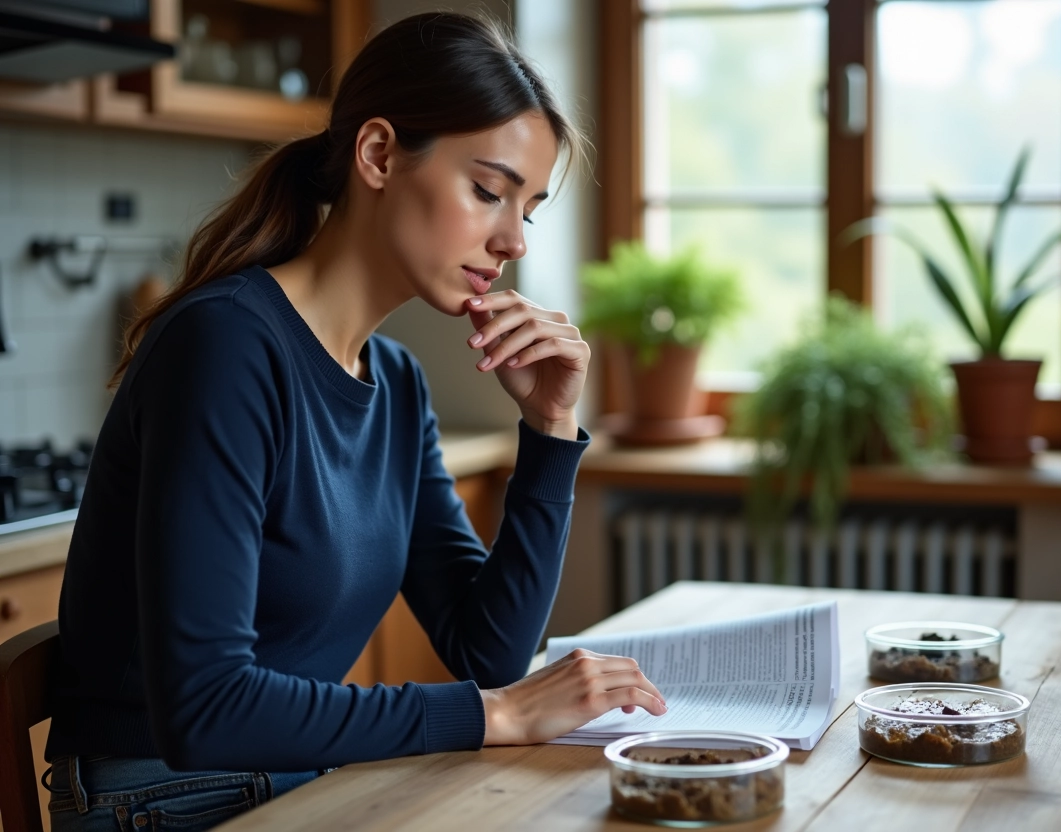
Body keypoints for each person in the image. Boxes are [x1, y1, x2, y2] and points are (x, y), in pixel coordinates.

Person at [43, 13, 665, 831]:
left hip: (301, 781)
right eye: (487, 190)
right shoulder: (226, 346)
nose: (512, 238)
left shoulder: (396, 384)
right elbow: (207, 709)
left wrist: (551, 428)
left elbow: (488, 650)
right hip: (167, 801)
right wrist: (495, 715)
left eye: (530, 208)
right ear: (377, 155)